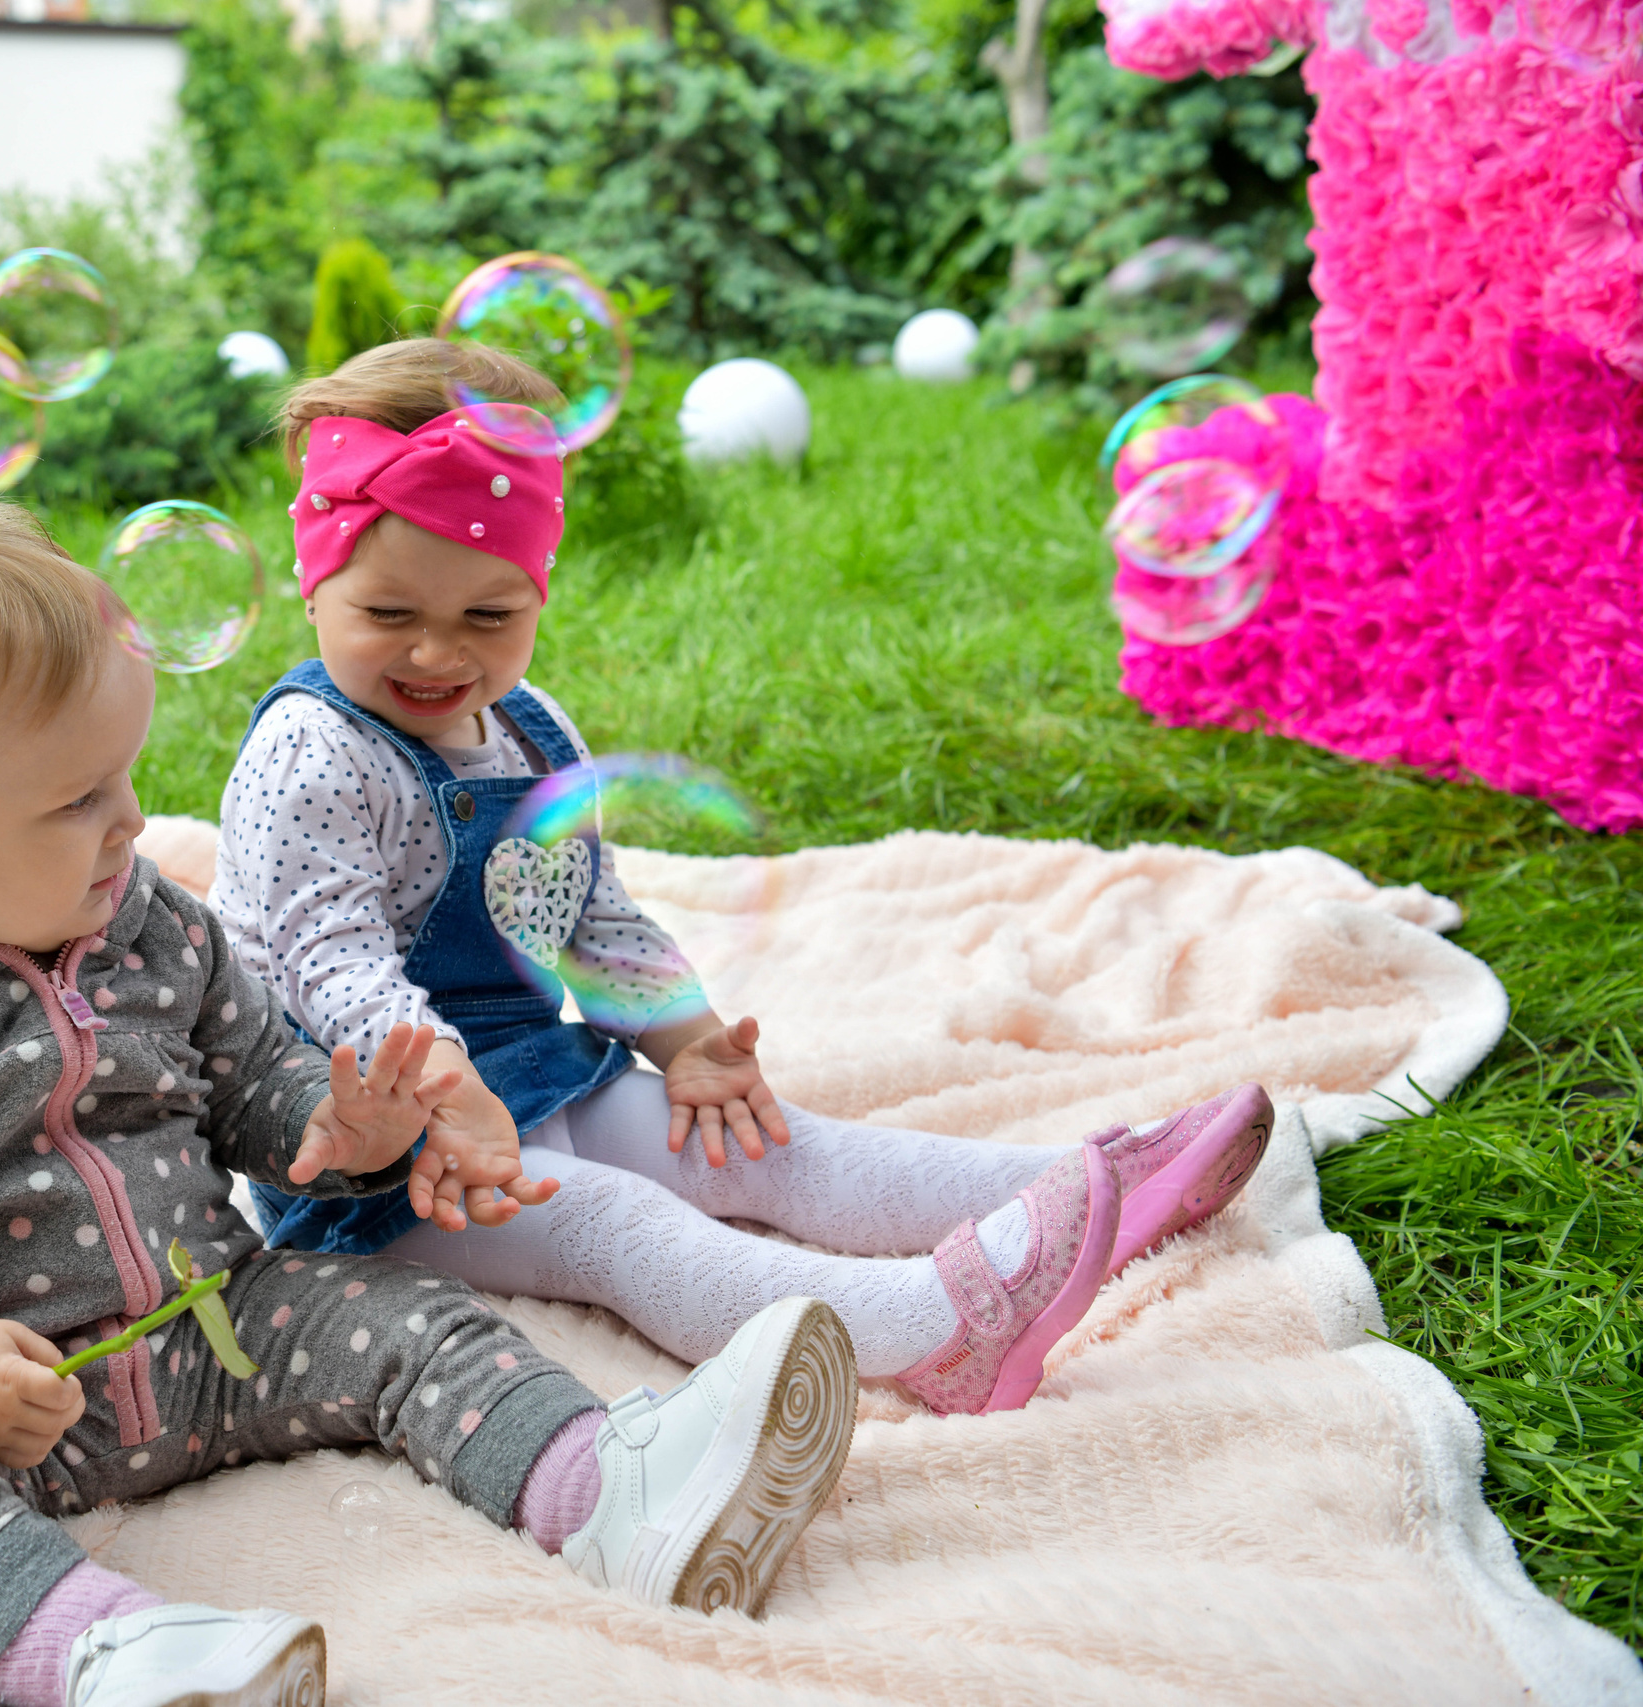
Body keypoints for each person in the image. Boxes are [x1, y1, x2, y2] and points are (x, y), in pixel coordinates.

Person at [0, 489, 862, 1707]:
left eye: (124, 777)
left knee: (411, 1321)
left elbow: (265, 1091)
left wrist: (345, 1133)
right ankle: (102, 1656)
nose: (131, 819)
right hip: (7, 1407)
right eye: (77, 800)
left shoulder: (159, 930)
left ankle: (606, 1492)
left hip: (220, 1331)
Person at [210, 338, 1276, 1415]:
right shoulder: (315, 753)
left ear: (535, 593)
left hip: (532, 1074)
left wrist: (689, 1045)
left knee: (762, 1146)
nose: (437, 654)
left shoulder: (530, 732)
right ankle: (926, 1331)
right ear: (316, 589)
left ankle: (1080, 1196)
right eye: (388, 616)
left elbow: (591, 914)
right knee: (614, 1226)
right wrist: (450, 1095)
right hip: (383, 1157)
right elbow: (330, 967)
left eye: (487, 617)